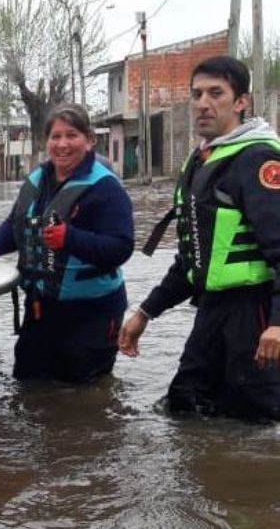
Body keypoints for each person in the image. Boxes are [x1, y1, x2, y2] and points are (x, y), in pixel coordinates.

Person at [119, 55, 280, 421]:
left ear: (241, 102)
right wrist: (145, 312)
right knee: (185, 405)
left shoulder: (257, 160)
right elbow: (194, 259)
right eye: (197, 94)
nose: (203, 103)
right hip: (211, 311)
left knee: (256, 423)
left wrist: (277, 323)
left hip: (254, 315)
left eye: (216, 93)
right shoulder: (201, 161)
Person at [0, 103, 134, 383]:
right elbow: (15, 226)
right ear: (46, 141)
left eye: (71, 135)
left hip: (92, 313)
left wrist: (70, 238)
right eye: (55, 137)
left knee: (84, 397)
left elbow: (121, 247)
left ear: (89, 139)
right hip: (40, 309)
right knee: (28, 387)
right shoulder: (36, 181)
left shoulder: (106, 188)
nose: (62, 144)